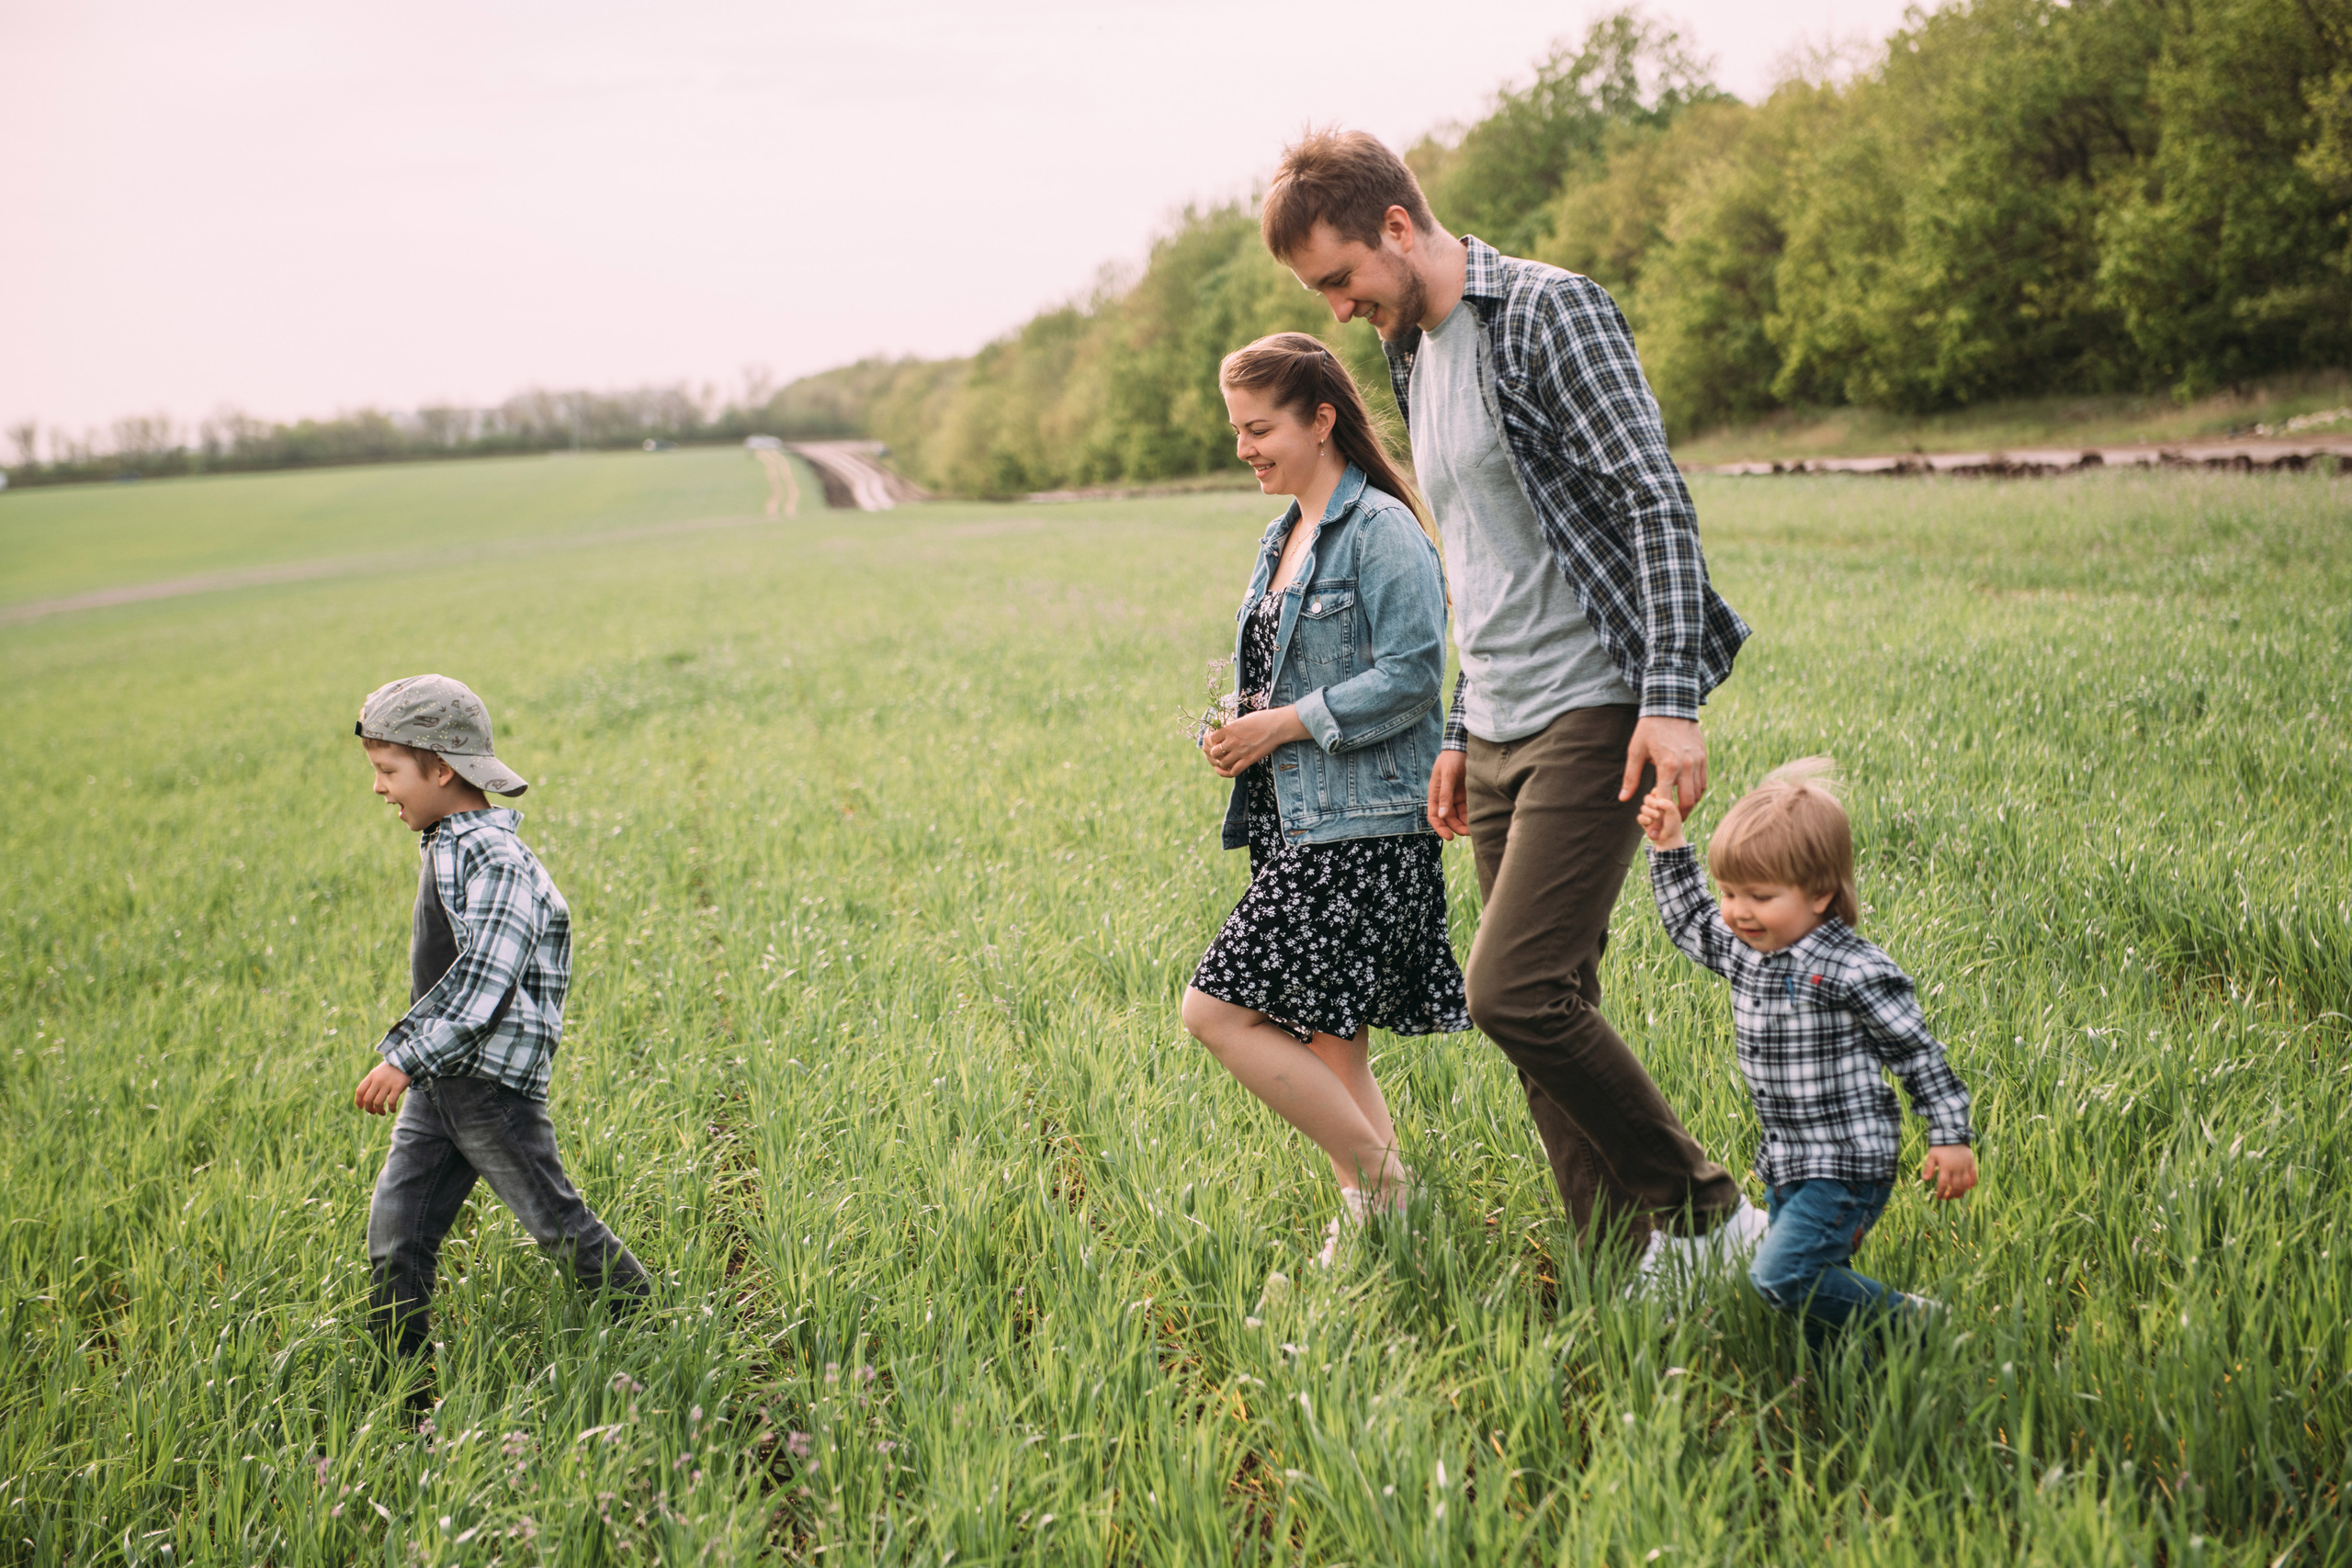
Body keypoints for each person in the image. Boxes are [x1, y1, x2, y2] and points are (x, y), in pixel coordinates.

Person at [1260, 128, 1762, 1271]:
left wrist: (1669, 702)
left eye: (1340, 277)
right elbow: (1479, 552)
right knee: (1552, 1007)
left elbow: (1651, 502)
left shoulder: (1544, 313)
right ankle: (1620, 1264)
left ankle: (1710, 1219)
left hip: (1593, 703)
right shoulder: (1410, 350)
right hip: (1494, 721)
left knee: (1514, 992)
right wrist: (1456, 727)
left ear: (1397, 226)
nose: (1336, 308)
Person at [1181, 332, 1467, 1264]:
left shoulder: (1381, 530)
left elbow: (1414, 676)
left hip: (1364, 826)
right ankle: (1384, 1228)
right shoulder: (1282, 537)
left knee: (1214, 1011)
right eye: (1237, 431)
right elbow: (1286, 674)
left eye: (1259, 428)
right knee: (1333, 1041)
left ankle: (1386, 1184)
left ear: (1321, 420)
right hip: (1294, 820)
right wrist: (1240, 729)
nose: (1244, 448)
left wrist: (1282, 725)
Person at [353, 674, 648, 1389]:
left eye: (389, 770)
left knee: (556, 1222)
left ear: (440, 768)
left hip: (488, 1087)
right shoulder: (450, 844)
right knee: (397, 1232)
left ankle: (650, 1324)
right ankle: (399, 1383)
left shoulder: (494, 857)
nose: (379, 788)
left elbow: (488, 978)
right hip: (445, 1081)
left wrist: (406, 1054)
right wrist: (423, 1064)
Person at [1637, 760, 1976, 1339]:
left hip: (1847, 1164)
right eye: (1730, 892)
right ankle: (1854, 1367)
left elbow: (1917, 1054)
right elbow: (1693, 922)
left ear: (1821, 894)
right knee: (1810, 1288)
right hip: (1787, 1157)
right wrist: (1669, 847)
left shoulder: (1854, 970)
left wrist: (1949, 1135)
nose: (1739, 910)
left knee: (1782, 1277)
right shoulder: (1750, 951)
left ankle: (1918, 1325)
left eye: (1761, 896)